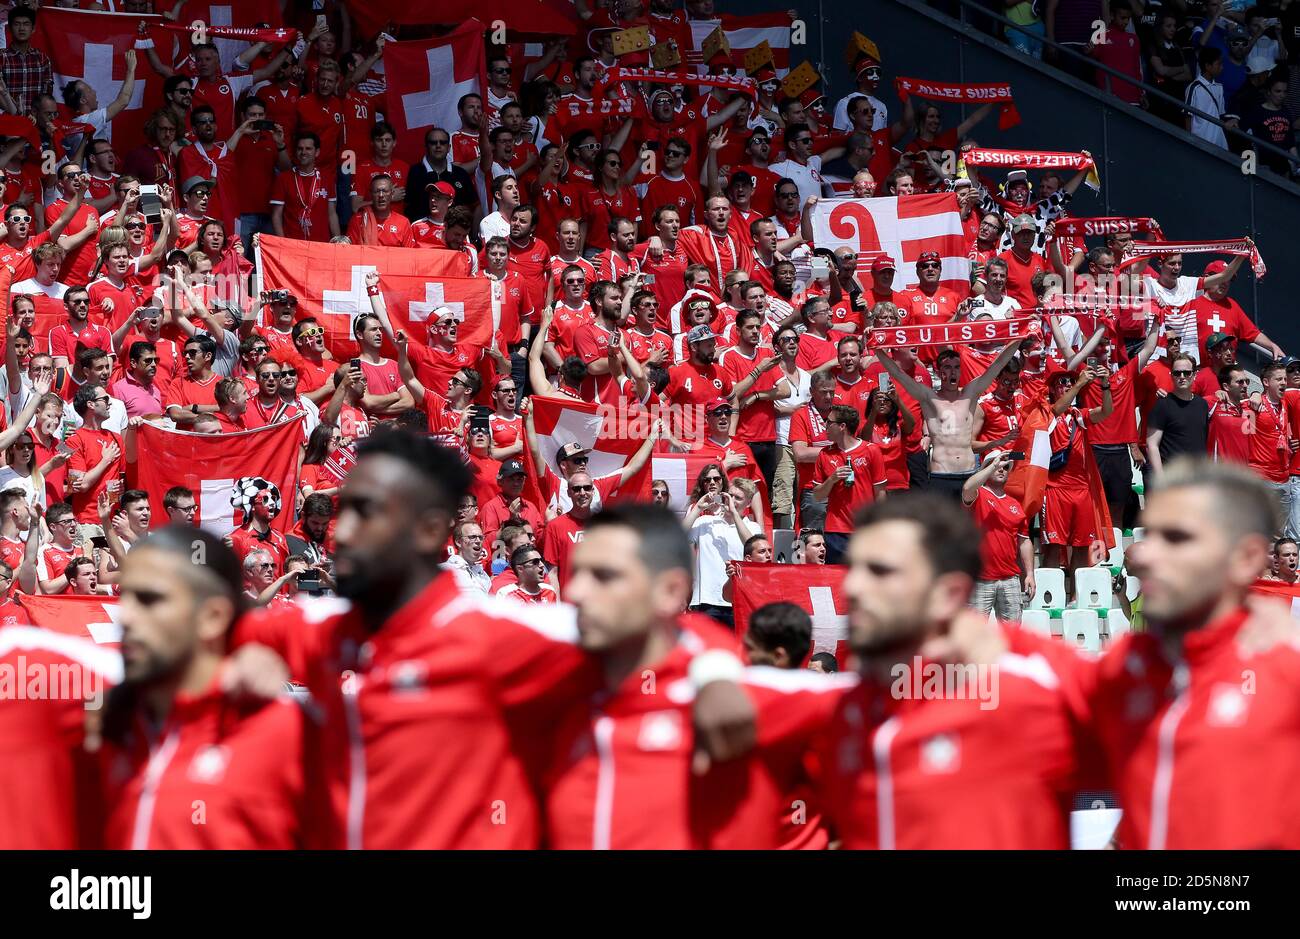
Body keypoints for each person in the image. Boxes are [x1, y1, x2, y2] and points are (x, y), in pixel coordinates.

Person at [100, 527, 306, 848]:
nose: (125, 616)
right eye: (125, 596)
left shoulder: (285, 735)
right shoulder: (102, 724)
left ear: (212, 616)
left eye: (150, 599)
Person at [873, 339, 1025, 500]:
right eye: (947, 367)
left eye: (956, 367)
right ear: (938, 372)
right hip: (941, 475)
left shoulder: (970, 394)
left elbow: (999, 364)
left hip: (969, 475)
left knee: (969, 524)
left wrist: (1021, 337)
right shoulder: (929, 397)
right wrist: (876, 348)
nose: (953, 372)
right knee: (941, 525)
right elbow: (898, 373)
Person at [962, 450, 1035, 623]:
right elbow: (967, 488)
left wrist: (1030, 574)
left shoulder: (1015, 504)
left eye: (1005, 467)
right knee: (974, 636)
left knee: (1011, 637)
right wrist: (992, 465)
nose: (1001, 469)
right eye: (997, 466)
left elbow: (1024, 541)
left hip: (1010, 579)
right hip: (981, 579)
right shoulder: (979, 495)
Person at [810, 404, 888, 564]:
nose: (825, 425)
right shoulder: (824, 454)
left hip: (864, 530)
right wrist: (832, 479)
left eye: (829, 422)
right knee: (837, 580)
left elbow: (880, 493)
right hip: (835, 531)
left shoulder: (871, 450)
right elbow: (817, 495)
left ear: (842, 426)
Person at [1147, 352, 1211, 479]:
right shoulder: (1162, 404)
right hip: (1173, 478)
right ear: (1171, 375)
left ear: (1194, 374)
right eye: (1177, 373)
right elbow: (1152, 444)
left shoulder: (1202, 404)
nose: (1182, 377)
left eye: (1186, 373)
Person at [495, 544, 559, 604]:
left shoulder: (550, 591)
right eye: (535, 562)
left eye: (541, 560)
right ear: (520, 569)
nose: (542, 565)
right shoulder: (506, 594)